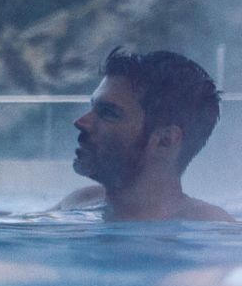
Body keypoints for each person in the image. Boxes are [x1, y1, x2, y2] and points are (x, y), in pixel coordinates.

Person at [57, 48, 232, 221]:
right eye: (93, 108)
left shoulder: (210, 227)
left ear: (166, 140)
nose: (80, 122)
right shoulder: (79, 202)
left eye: (108, 113)